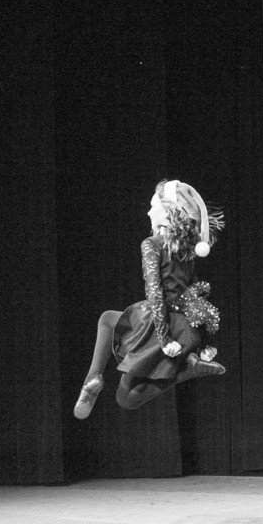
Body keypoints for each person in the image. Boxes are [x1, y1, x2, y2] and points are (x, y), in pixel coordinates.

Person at [73, 179, 225, 419]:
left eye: (153, 206)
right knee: (108, 319)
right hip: (185, 330)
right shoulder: (186, 250)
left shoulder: (151, 244)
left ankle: (94, 378)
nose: (148, 211)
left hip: (160, 326)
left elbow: (155, 292)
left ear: (167, 212)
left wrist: (164, 338)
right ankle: (188, 367)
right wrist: (205, 340)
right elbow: (196, 293)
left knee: (125, 398)